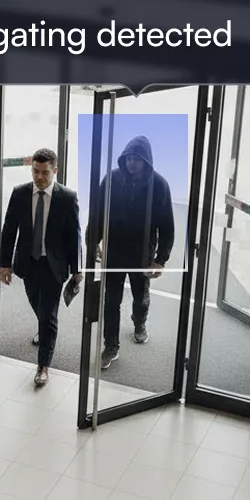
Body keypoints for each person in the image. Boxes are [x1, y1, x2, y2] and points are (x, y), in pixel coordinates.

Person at [86, 135, 174, 371]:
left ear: (146, 161)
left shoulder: (159, 185)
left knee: (140, 297)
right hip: (114, 252)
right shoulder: (111, 179)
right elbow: (97, 213)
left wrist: (160, 260)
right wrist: (93, 242)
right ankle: (111, 346)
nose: (131, 163)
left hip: (141, 254)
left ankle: (139, 323)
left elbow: (167, 225)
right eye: (129, 158)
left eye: (137, 159)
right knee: (111, 301)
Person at [0, 148, 81, 387]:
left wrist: (77, 269)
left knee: (48, 316)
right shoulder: (20, 194)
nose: (39, 177)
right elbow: (9, 231)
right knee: (38, 305)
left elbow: (74, 236)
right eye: (35, 171)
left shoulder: (67, 197)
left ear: (54, 171)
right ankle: (46, 328)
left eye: (45, 172)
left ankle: (43, 365)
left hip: (54, 265)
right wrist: (5, 265)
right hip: (28, 263)